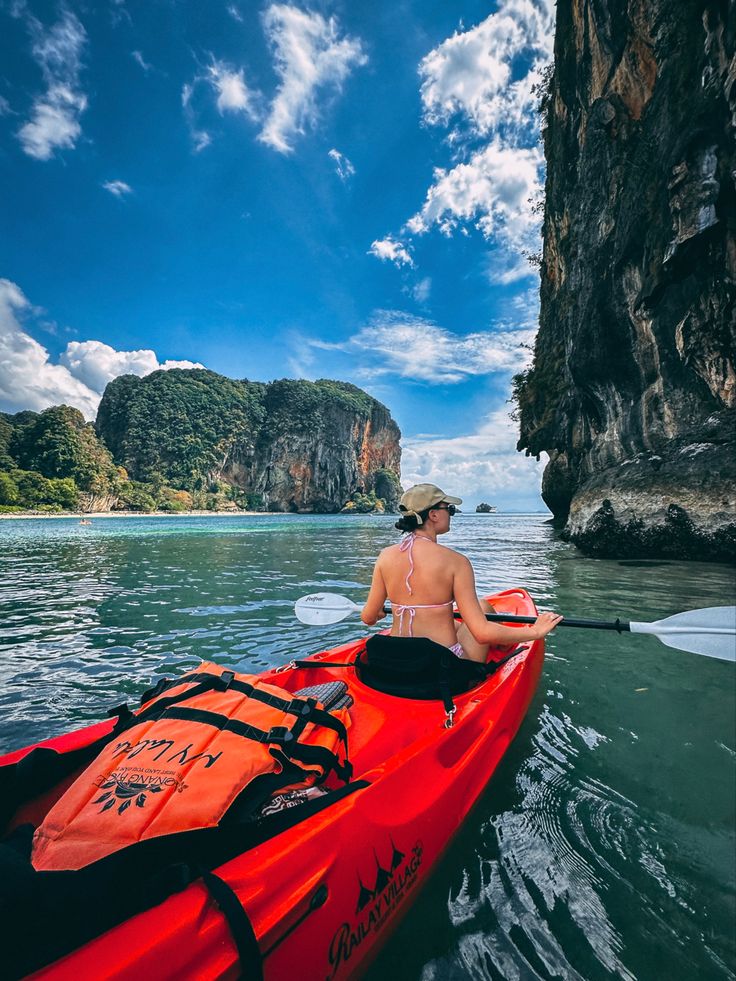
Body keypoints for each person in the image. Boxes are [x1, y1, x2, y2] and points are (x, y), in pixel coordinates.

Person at [361, 483, 563, 662]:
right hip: (442, 668)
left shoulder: (385, 556)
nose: (451, 512)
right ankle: (502, 644)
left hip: (397, 661)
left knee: (483, 606)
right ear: (433, 515)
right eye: (449, 509)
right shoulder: (456, 562)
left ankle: (500, 640)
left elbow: (368, 617)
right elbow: (482, 633)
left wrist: (382, 611)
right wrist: (535, 631)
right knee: (482, 615)